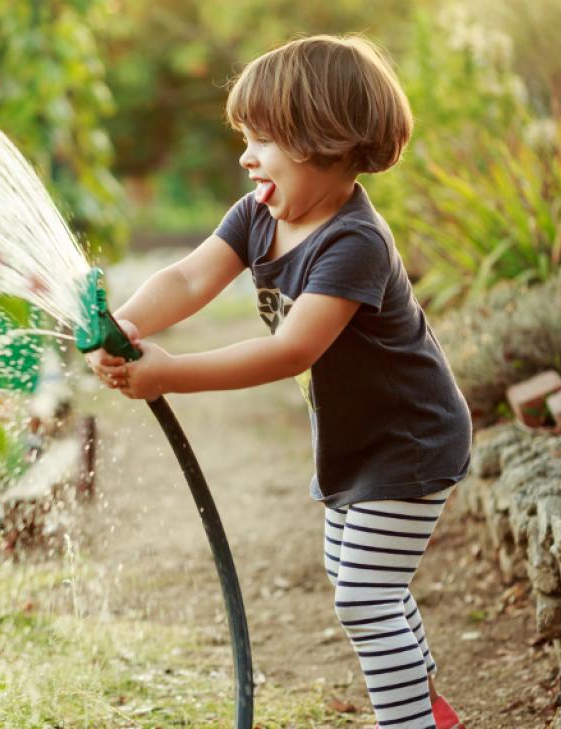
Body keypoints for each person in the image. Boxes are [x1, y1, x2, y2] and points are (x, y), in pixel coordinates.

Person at [86, 35, 472, 729]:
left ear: (323, 139)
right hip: (354, 440)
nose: (245, 155)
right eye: (245, 137)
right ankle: (427, 701)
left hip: (409, 442)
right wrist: (128, 322)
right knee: (358, 575)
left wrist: (171, 373)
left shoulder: (353, 241)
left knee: (364, 593)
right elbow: (188, 276)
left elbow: (292, 350)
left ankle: (409, 721)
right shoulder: (259, 215)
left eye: (261, 138)